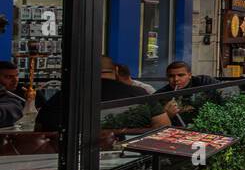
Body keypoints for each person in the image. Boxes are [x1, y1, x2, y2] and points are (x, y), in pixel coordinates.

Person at [36, 55, 165, 131]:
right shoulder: (139, 93)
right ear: (116, 69)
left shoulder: (64, 97)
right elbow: (163, 125)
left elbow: (39, 127)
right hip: (130, 159)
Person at [153, 60, 220, 125]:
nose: (176, 79)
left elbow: (223, 93)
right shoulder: (161, 95)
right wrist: (166, 115)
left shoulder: (204, 82)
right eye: (171, 76)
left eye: (181, 75)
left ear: (190, 75)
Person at [0, 60, 32, 128]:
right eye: (8, 77)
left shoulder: (23, 92)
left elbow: (13, 108)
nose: (15, 81)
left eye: (17, 76)